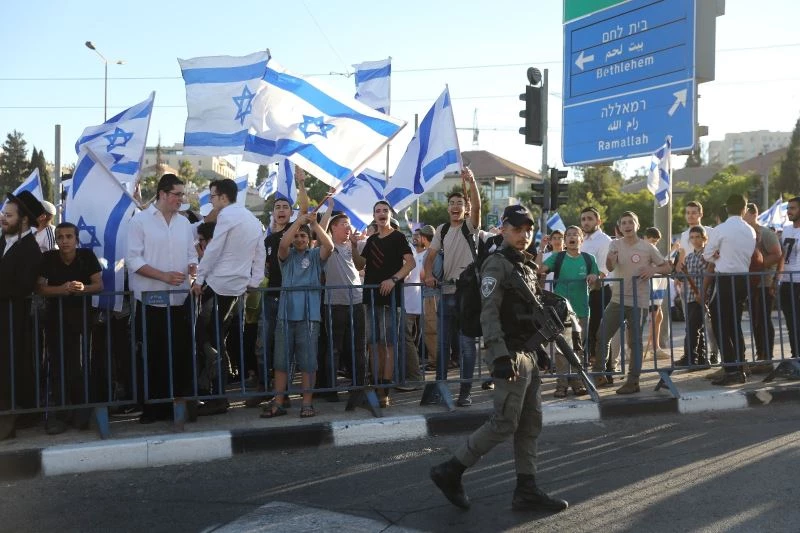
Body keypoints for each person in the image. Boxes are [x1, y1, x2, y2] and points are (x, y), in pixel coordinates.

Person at [430, 205, 568, 513]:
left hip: (528, 352)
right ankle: (451, 470)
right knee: (505, 422)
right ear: (503, 229)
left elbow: (530, 315)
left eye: (528, 229)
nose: (524, 235)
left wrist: (541, 349)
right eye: (518, 229)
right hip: (508, 355)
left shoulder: (527, 266)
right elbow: (489, 311)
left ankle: (526, 489)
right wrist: (500, 355)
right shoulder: (497, 263)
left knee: (530, 424)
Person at [126, 174, 198, 423]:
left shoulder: (184, 224)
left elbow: (192, 254)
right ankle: (153, 408)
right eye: (178, 194)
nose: (181, 199)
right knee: (152, 356)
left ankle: (176, 407)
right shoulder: (140, 221)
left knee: (178, 355)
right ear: (163, 194)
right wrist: (163, 276)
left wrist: (192, 268)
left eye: (182, 194)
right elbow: (133, 260)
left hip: (179, 302)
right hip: (150, 301)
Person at [191, 178, 266, 413]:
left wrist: (201, 278)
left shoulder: (227, 216)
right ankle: (215, 392)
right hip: (237, 287)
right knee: (217, 339)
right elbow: (260, 253)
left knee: (210, 340)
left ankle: (218, 395)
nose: (211, 202)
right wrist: (252, 282)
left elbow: (214, 248)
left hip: (218, 284)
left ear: (223, 197)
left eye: (212, 197)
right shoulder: (253, 220)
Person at [261, 213, 332, 418]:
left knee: (308, 362)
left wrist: (315, 224)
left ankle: (307, 403)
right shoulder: (286, 256)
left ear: (309, 240)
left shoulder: (315, 256)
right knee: (281, 362)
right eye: (297, 236)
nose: (299, 239)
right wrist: (299, 222)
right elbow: (283, 244)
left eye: (304, 236)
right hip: (285, 314)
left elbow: (330, 248)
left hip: (310, 317)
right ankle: (278, 402)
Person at [592, 211, 672, 394]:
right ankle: (599, 374)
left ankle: (633, 381)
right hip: (617, 298)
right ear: (619, 227)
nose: (627, 226)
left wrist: (653, 270)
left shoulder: (647, 247)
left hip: (639, 301)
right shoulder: (615, 244)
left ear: (637, 225)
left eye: (631, 222)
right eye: (624, 223)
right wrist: (610, 261)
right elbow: (610, 266)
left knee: (634, 342)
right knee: (602, 334)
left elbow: (667, 267)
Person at [248, 168, 308, 407]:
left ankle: (283, 393)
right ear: (273, 213)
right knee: (263, 344)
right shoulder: (267, 239)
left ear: (291, 213)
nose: (281, 211)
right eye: (278, 208)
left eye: (285, 208)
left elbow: (305, 211)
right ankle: (265, 387)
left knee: (287, 347)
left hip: (290, 298)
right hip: (270, 297)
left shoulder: (295, 234)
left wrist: (301, 183)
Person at [36, 222, 103, 434]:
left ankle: (81, 412)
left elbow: (99, 285)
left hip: (81, 320)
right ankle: (61, 414)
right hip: (54, 320)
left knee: (78, 368)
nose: (64, 241)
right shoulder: (48, 258)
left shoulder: (87, 256)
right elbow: (40, 287)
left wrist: (82, 288)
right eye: (60, 237)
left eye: (68, 236)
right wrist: (61, 290)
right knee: (57, 367)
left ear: (76, 238)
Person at [423, 168, 481, 406]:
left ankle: (465, 392)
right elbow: (431, 255)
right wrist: (427, 274)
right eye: (452, 203)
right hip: (446, 293)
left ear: (465, 208)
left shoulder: (470, 226)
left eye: (460, 203)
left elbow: (477, 208)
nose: (456, 206)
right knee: (443, 345)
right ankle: (440, 388)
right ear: (448, 209)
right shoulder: (442, 230)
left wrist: (473, 181)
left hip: (468, 293)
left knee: (467, 345)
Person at [0, 191, 45, 440]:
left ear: (24, 220)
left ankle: (9, 425)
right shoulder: (3, 240)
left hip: (13, 322)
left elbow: (20, 287)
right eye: (3, 214)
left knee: (8, 372)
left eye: (8, 215)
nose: (3, 219)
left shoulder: (30, 250)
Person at [362, 200, 415, 408]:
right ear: (373, 215)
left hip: (390, 298)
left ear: (390, 214)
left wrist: (393, 280)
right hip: (371, 297)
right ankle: (375, 386)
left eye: (385, 210)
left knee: (388, 344)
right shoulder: (372, 239)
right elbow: (360, 263)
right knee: (373, 343)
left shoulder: (398, 236)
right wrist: (350, 243)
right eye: (378, 211)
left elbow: (410, 263)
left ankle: (385, 389)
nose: (381, 213)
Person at [538, 225, 598, 397]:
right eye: (568, 235)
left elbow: (596, 282)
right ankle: (561, 385)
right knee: (562, 350)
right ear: (564, 241)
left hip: (582, 310)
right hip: (561, 312)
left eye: (575, 235)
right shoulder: (558, 257)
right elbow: (539, 269)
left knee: (578, 349)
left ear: (581, 239)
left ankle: (578, 383)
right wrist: (542, 249)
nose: (572, 237)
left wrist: (594, 278)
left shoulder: (589, 259)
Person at [704, 194, 756, 386]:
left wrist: (718, 256)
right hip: (743, 279)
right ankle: (741, 365)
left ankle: (732, 369)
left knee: (720, 323)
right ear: (744, 209)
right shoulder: (750, 230)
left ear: (727, 209)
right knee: (733, 322)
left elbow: (708, 254)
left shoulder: (721, 229)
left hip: (726, 279)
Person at [318, 211, 367, 402]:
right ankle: (330, 389)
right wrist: (329, 207)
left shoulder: (354, 245)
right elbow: (319, 229)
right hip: (334, 304)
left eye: (349, 224)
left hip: (356, 301)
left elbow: (361, 264)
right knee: (334, 349)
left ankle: (358, 388)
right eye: (344, 224)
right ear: (333, 227)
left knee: (357, 347)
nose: (348, 228)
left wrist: (354, 246)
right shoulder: (326, 246)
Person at [743, 203, 782, 373]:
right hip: (751, 284)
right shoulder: (746, 234)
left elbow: (777, 254)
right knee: (756, 321)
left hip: (765, 283)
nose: (742, 217)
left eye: (744, 214)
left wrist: (758, 266)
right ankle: (760, 356)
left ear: (753, 214)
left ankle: (767, 358)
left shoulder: (766, 233)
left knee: (763, 320)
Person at [579, 207, 613, 373]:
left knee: (600, 333)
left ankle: (606, 371)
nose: (586, 222)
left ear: (598, 221)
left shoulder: (604, 240)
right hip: (582, 293)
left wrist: (590, 285)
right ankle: (589, 369)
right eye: (583, 219)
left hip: (599, 292)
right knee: (585, 332)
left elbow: (603, 270)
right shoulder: (581, 239)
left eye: (589, 219)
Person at [676, 226, 712, 369]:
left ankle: (691, 357)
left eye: (698, 237)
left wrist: (704, 294)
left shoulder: (707, 256)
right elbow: (683, 275)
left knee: (693, 328)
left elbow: (709, 276)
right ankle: (701, 358)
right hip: (690, 296)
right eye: (692, 237)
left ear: (704, 238)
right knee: (695, 328)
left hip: (702, 296)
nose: (695, 240)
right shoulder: (690, 257)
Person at [642, 227, 670, 360]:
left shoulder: (652, 249)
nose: (654, 243)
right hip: (647, 288)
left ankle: (655, 346)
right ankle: (652, 348)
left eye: (656, 241)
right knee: (652, 317)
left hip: (657, 286)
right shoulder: (643, 249)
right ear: (645, 237)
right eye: (652, 240)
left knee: (658, 316)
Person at [779, 196, 800, 358]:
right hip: (786, 282)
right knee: (791, 323)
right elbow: (781, 256)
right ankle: (795, 355)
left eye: (792, 208)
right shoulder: (785, 230)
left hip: (799, 282)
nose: (788, 212)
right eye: (788, 208)